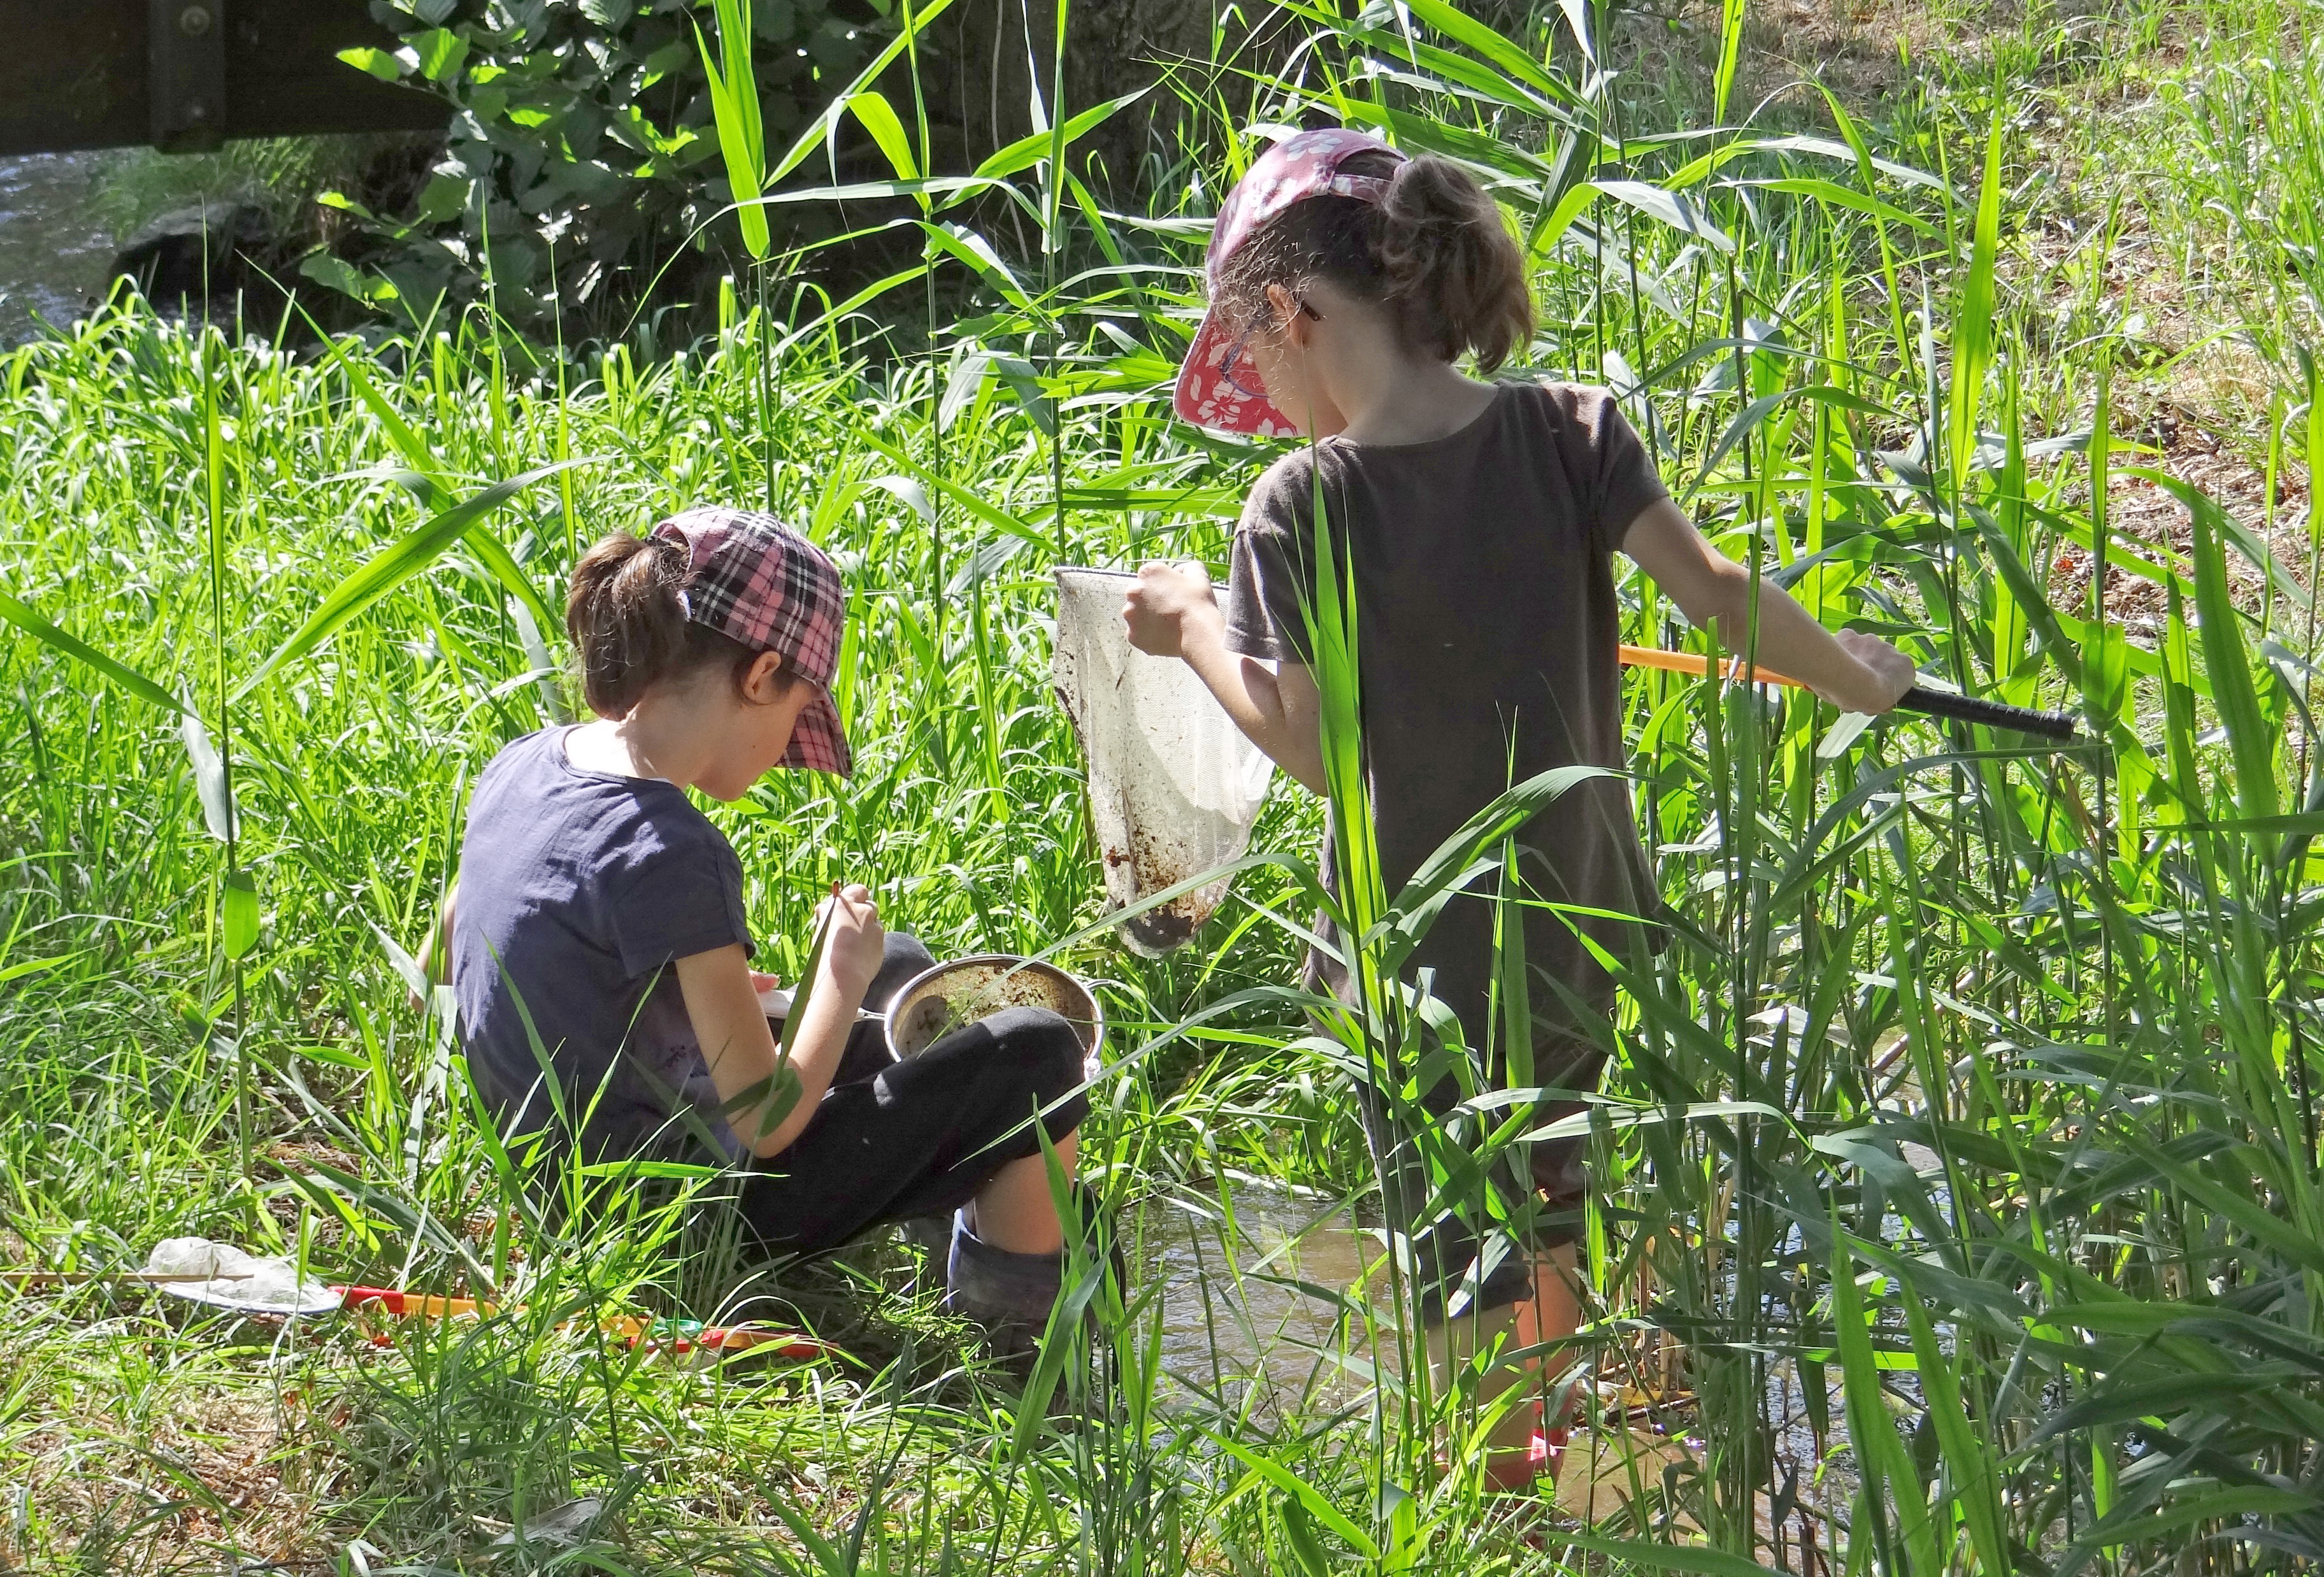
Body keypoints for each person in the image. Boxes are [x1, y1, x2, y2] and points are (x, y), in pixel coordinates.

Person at [1123, 129, 1916, 1488]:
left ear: (1289, 312)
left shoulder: (1301, 500)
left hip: (1424, 970)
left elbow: (1310, 749)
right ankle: (1590, 1456)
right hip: (1591, 930)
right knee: (1560, 1222)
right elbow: (1721, 600)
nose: (1264, 392)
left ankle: (1506, 1510)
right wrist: (1858, 680)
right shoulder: (1569, 431)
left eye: (1251, 361)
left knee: (1460, 1293)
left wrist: (1194, 624)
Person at [448, 507, 1088, 1350]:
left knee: (906, 967)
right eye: (798, 716)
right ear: (762, 676)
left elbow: (464, 930)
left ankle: (953, 1199)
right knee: (1036, 1051)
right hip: (682, 1214)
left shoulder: (529, 763)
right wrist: (836, 975)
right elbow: (766, 1120)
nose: (790, 747)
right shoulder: (672, 847)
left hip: (564, 1171)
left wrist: (645, 998)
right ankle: (1020, 1332)